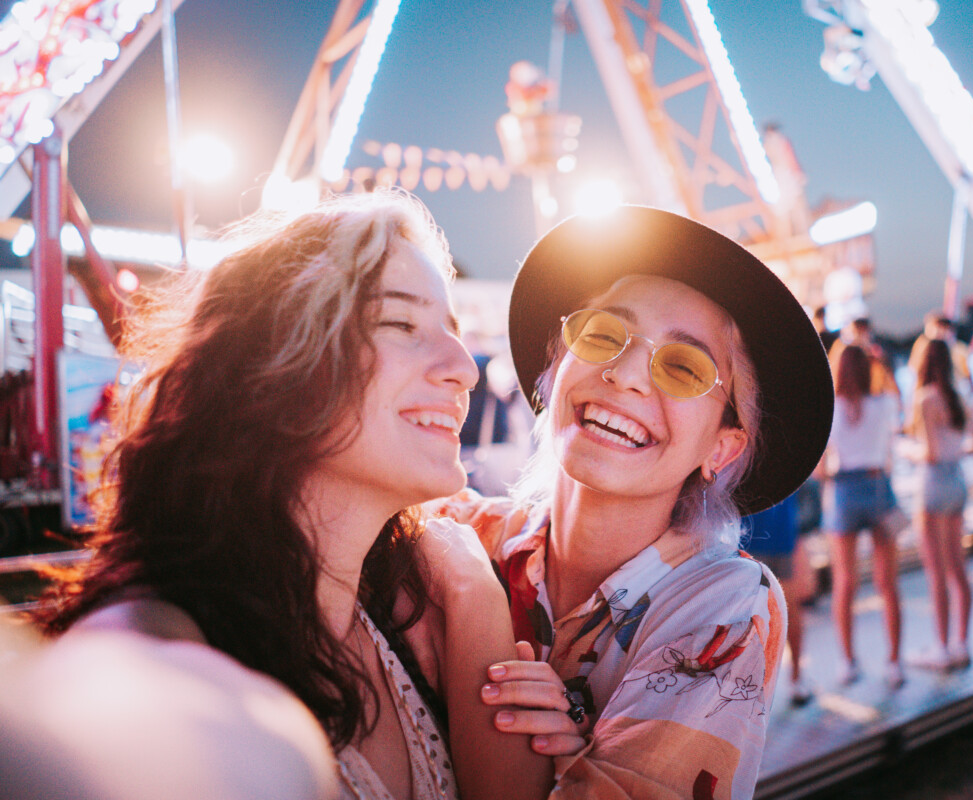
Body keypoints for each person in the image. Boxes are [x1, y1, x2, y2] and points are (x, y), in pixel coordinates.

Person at [31, 191, 578, 800]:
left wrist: (475, 591)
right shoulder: (157, 642)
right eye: (402, 324)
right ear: (273, 365)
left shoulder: (406, 614)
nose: (465, 367)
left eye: (451, 332)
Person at [432, 206, 834, 798]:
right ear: (554, 368)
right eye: (600, 335)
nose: (626, 376)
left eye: (683, 367)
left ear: (722, 446)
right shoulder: (458, 533)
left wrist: (467, 600)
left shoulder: (723, 607)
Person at [818, 344, 905, 689]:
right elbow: (892, 441)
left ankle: (847, 662)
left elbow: (823, 468)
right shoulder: (883, 403)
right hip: (877, 485)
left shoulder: (830, 409)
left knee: (844, 583)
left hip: (843, 491)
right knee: (888, 582)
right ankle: (894, 662)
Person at [907, 338, 973, 671]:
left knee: (936, 572)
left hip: (933, 482)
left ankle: (940, 647)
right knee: (958, 568)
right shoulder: (959, 398)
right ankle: (962, 644)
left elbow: (931, 453)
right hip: (957, 481)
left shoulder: (925, 399)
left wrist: (904, 451)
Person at [742, 490, 820, 706]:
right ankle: (796, 680)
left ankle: (787, 680)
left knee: (750, 614)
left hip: (751, 530)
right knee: (787, 606)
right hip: (777, 529)